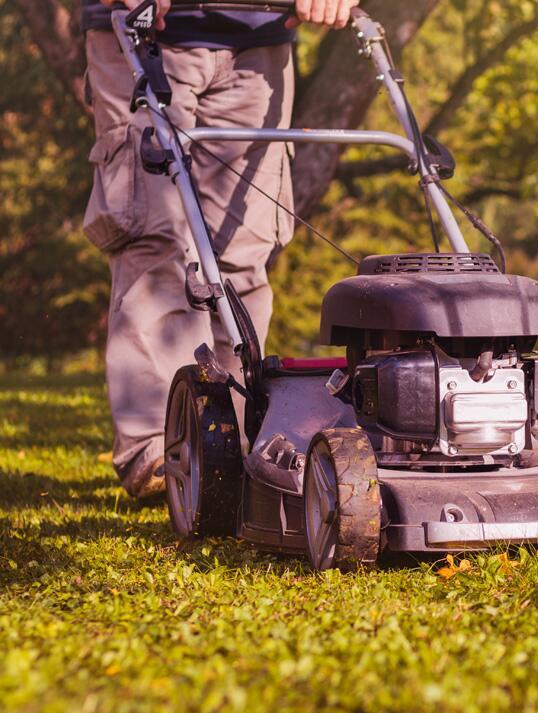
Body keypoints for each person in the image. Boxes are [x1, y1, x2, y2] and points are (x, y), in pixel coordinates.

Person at [81, 0, 359, 499]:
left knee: (242, 254)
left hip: (261, 44)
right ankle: (162, 449)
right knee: (155, 240)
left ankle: (228, 447)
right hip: (149, 32)